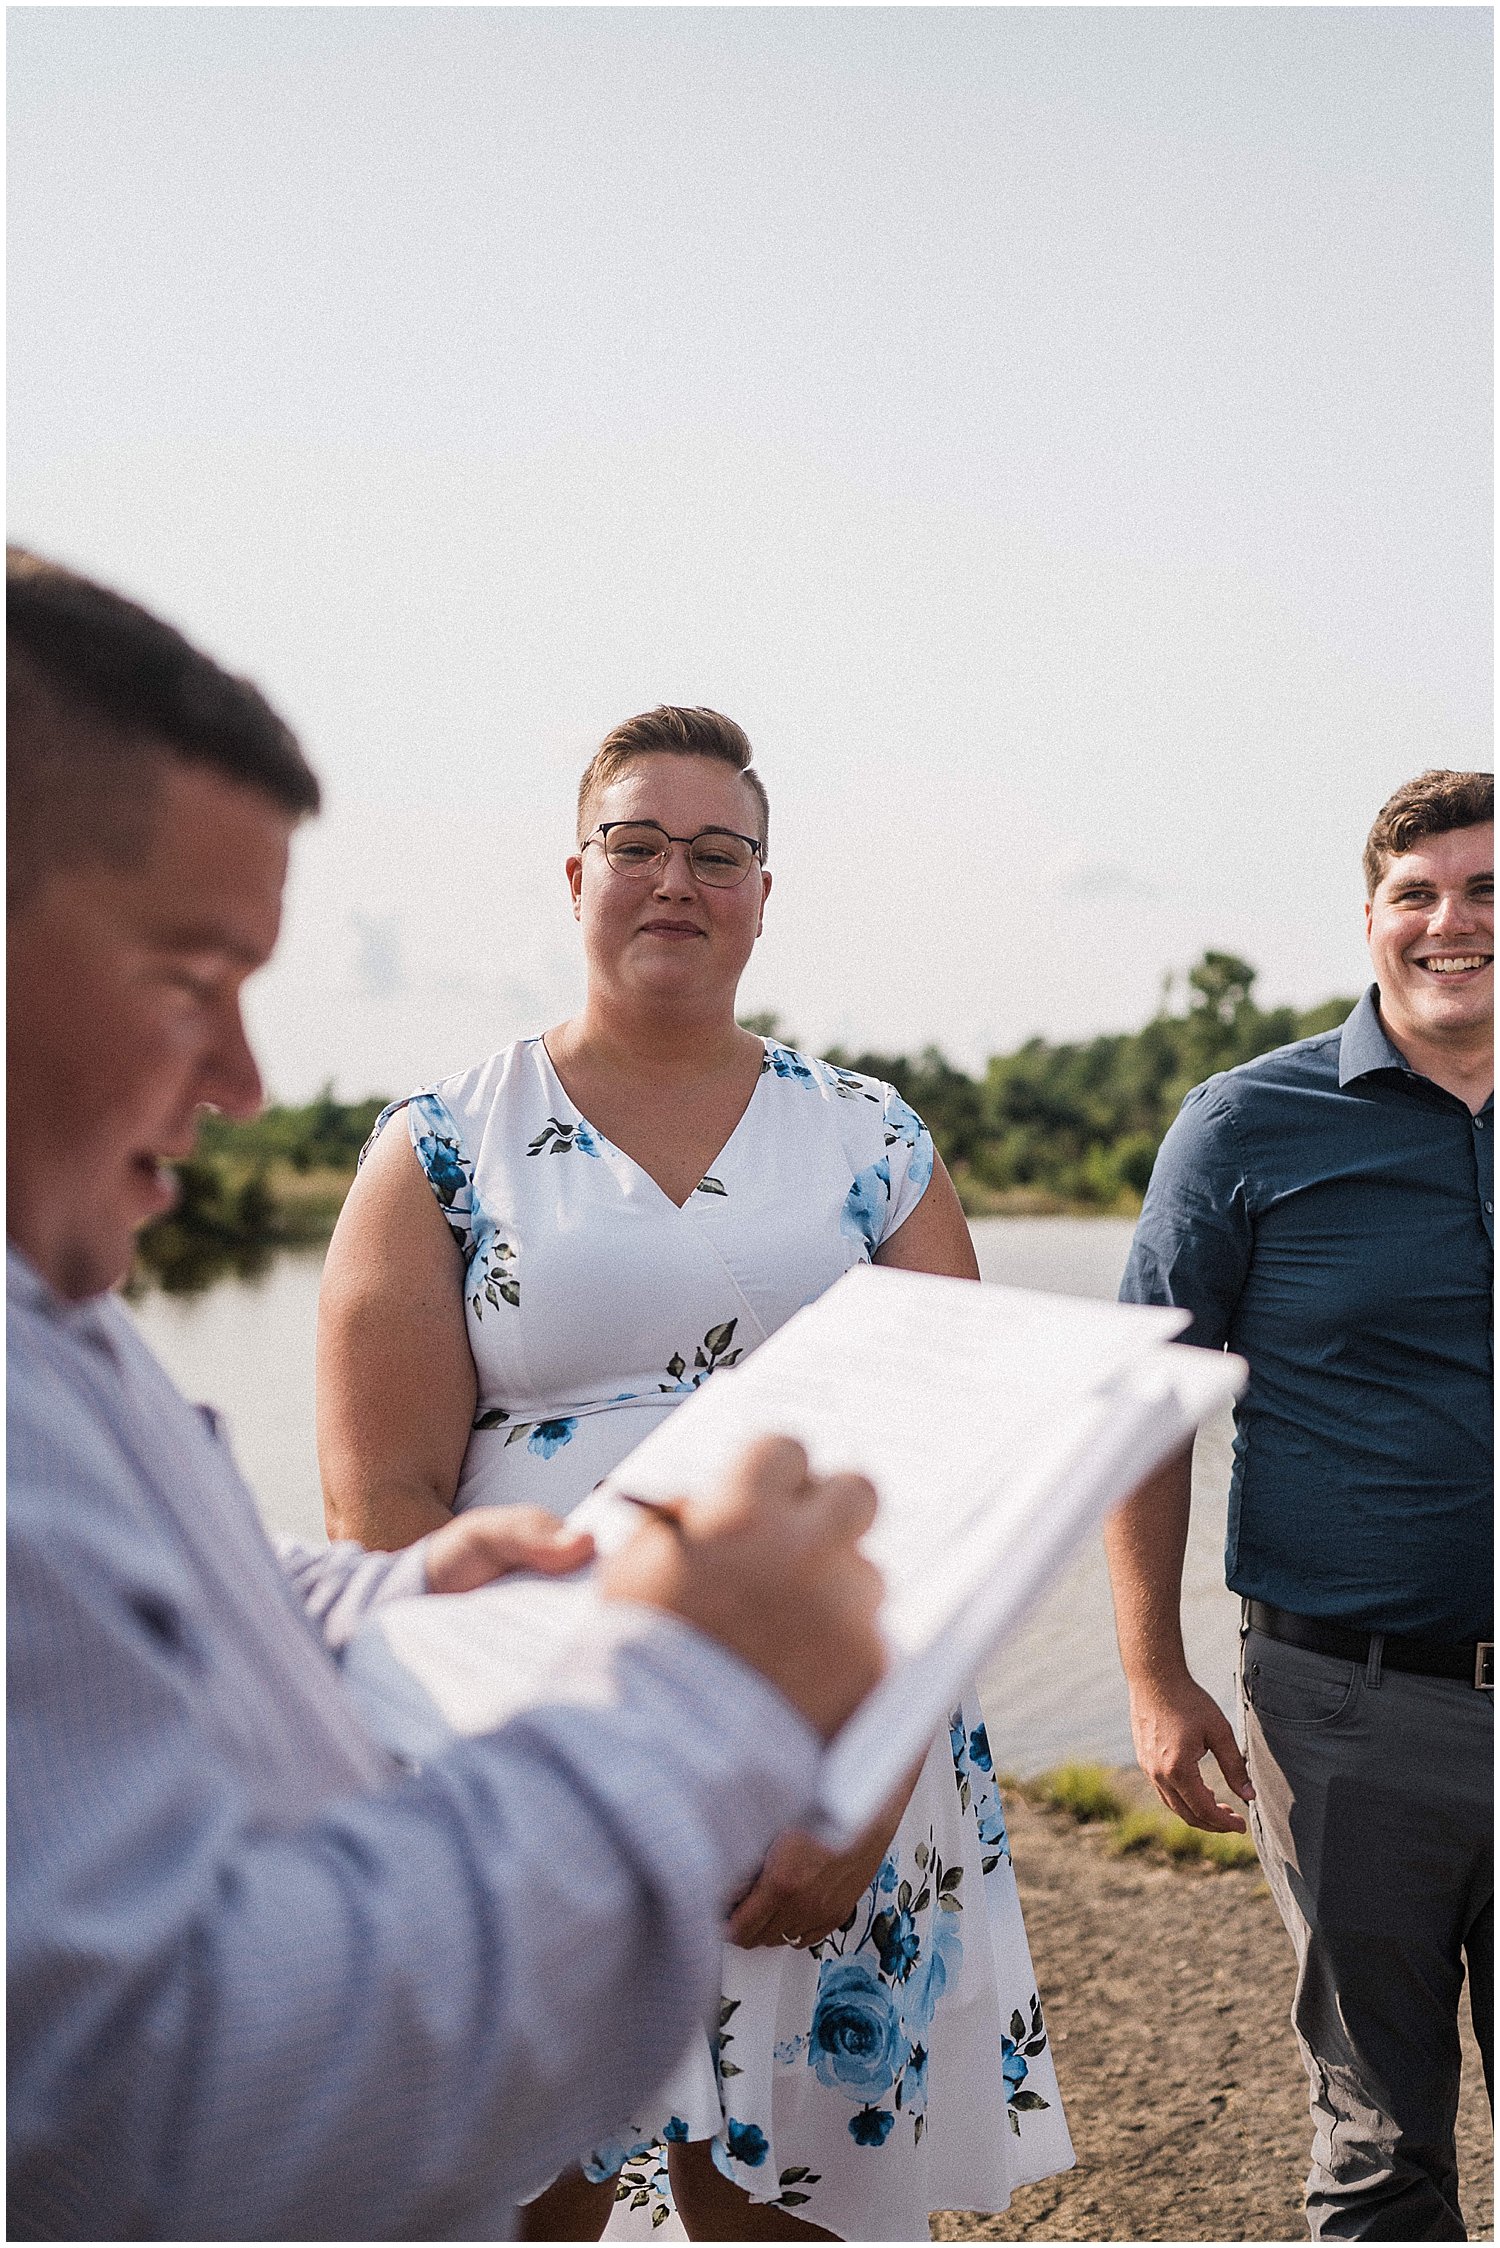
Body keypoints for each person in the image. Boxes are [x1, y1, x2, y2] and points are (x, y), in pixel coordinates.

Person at [7, 549, 890, 2243]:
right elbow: (148, 2110)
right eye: (191, 980)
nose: (247, 1081)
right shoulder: (437, 1138)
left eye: (720, 854)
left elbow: (137, 1579)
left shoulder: (60, 1308)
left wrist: (381, 1594)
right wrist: (701, 1710)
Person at [317, 705, 1074, 2242]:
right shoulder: (443, 1144)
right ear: (576, 873)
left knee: (780, 2198)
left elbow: (963, 1481)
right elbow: (383, 1510)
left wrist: (860, 1794)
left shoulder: (872, 1140)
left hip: (835, 1737)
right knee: (528, 2196)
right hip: (538, 1751)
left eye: (718, 852)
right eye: (639, 844)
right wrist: (511, 1775)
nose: (678, 879)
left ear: (763, 889)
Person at [1105, 769, 1493, 2240]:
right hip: (1346, 1711)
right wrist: (1150, 1674)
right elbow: (1146, 1407)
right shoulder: (1246, 1125)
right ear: (1375, 918)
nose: (1452, 922)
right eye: (1419, 893)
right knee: (1383, 2147)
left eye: (1486, 889)